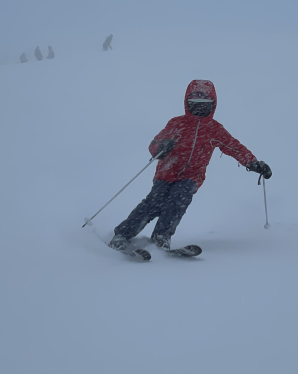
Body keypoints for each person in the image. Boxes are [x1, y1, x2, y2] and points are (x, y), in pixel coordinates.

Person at [109, 79, 271, 251]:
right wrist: (161, 147)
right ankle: (123, 234)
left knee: (179, 198)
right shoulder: (177, 123)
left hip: (192, 175)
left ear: (213, 105)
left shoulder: (214, 129)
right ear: (187, 103)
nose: (200, 108)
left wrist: (253, 162)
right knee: (154, 202)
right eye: (195, 104)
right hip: (167, 172)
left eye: (205, 104)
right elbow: (154, 144)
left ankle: (161, 237)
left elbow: (234, 147)